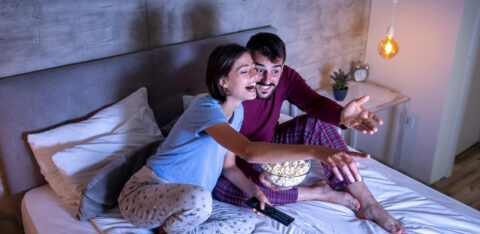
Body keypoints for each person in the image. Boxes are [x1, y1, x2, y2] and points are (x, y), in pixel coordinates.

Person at [118, 44, 369, 233]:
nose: (257, 77)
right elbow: (248, 151)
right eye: (246, 71)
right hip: (146, 193)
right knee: (201, 199)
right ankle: (167, 230)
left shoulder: (236, 112)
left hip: (189, 200)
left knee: (248, 219)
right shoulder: (205, 108)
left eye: (255, 70)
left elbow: (228, 166)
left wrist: (254, 191)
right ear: (224, 82)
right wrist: (316, 151)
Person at [213, 33, 406, 234]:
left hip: (272, 144)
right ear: (248, 65)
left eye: (275, 70)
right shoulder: (232, 92)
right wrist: (260, 176)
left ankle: (369, 204)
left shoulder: (285, 77)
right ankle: (317, 193)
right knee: (225, 190)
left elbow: (314, 103)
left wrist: (341, 115)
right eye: (259, 69)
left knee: (314, 124)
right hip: (239, 156)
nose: (267, 79)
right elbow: (237, 156)